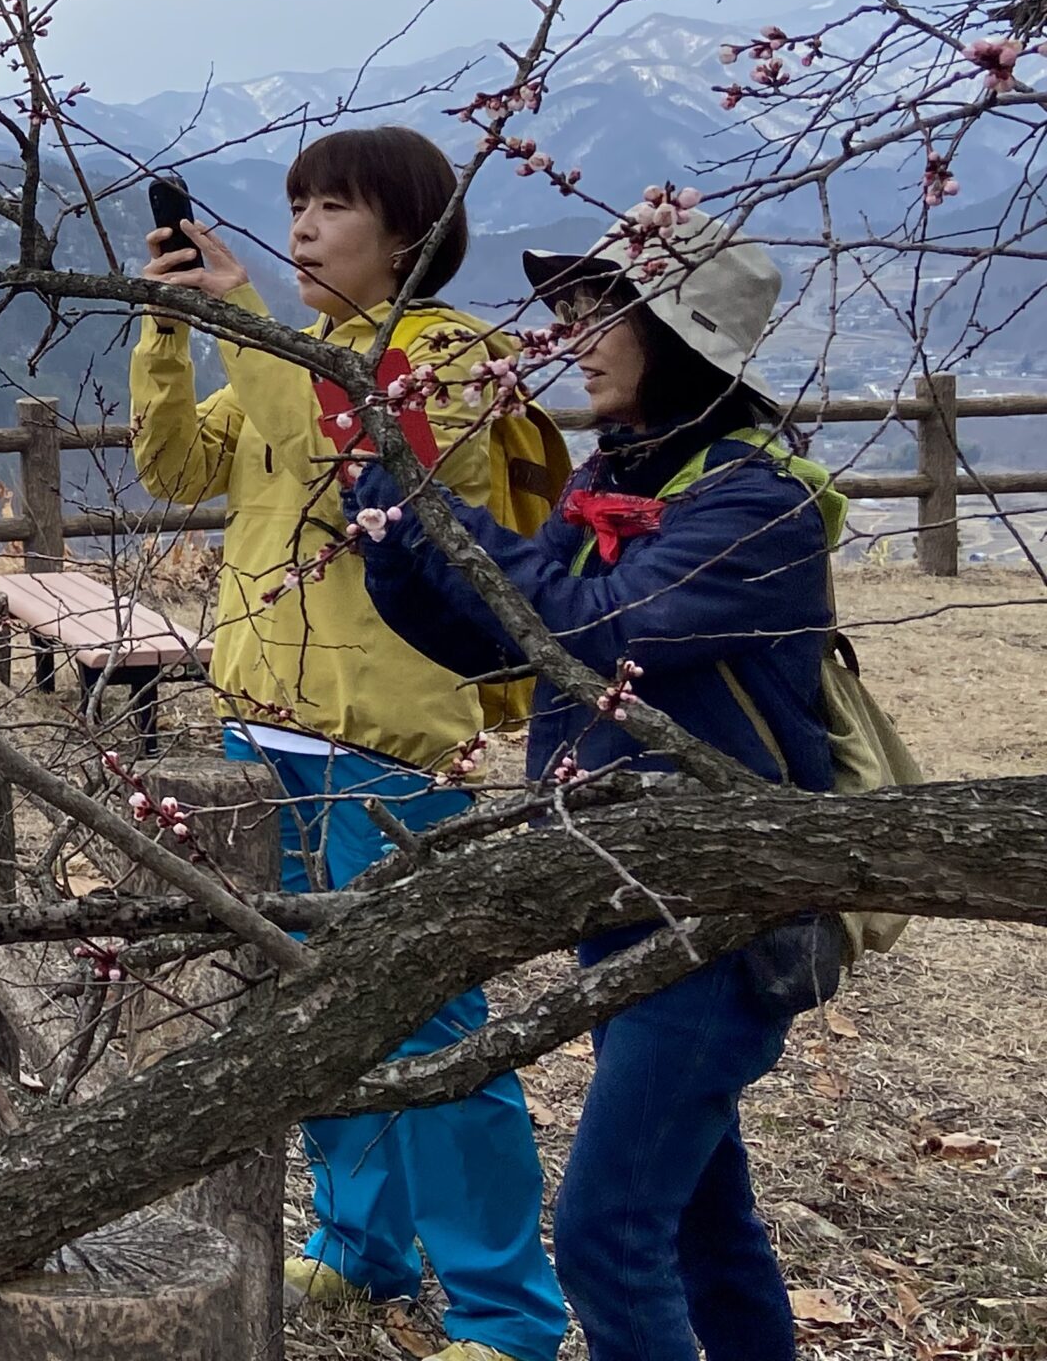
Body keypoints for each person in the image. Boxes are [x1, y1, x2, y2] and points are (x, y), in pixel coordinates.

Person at [345, 203, 842, 1361]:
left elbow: (599, 625)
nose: (575, 333)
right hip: (628, 893)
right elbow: (507, 643)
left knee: (608, 1235)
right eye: (570, 308)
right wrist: (399, 551)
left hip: (723, 913)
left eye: (604, 310)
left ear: (679, 334)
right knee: (703, 1222)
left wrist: (444, 517)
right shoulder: (617, 477)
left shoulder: (754, 509)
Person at [133, 126, 568, 1361]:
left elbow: (346, 472)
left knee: (429, 1018)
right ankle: (355, 1244)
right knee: (308, 1006)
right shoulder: (295, 356)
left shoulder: (447, 360)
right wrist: (166, 327)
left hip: (383, 741)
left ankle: (504, 1312)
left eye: (334, 206)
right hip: (257, 725)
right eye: (297, 203)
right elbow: (174, 467)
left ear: (408, 236)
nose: (304, 226)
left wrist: (242, 320)